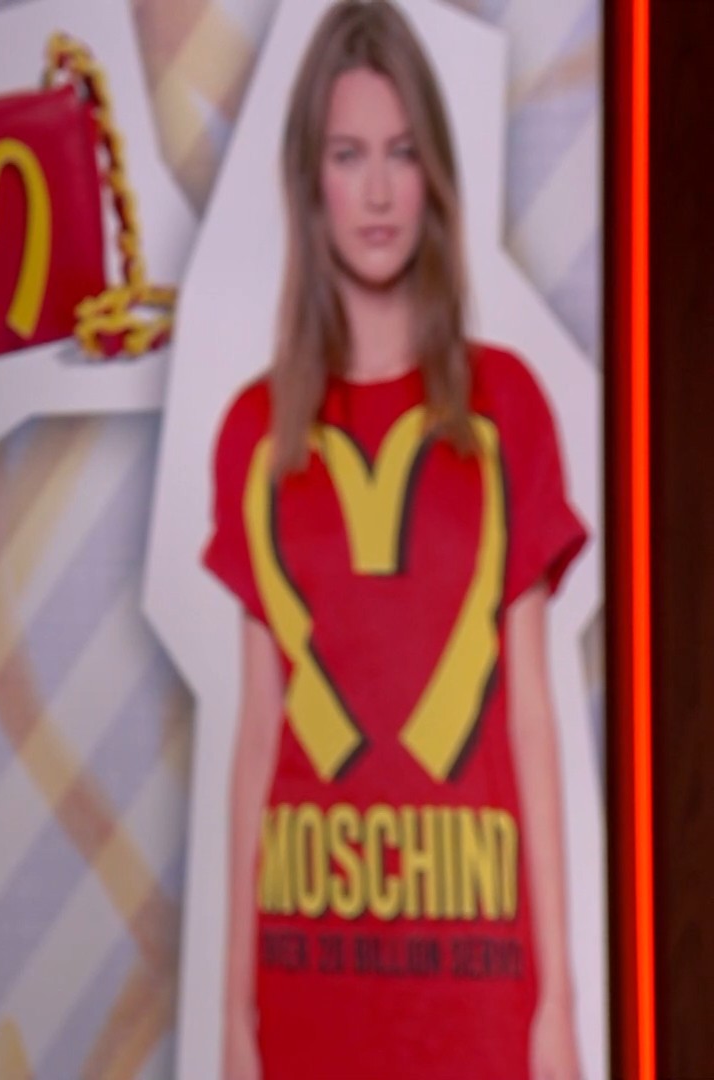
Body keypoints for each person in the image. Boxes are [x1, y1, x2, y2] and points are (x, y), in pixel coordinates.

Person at [204, 4, 588, 1080]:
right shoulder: (255, 432)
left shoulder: (509, 407)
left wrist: (558, 1002)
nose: (377, 190)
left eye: (402, 153)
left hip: (475, 975)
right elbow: (258, 733)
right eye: (348, 154)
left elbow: (532, 716)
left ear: (436, 178)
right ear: (310, 180)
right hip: (307, 965)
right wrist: (235, 1012)